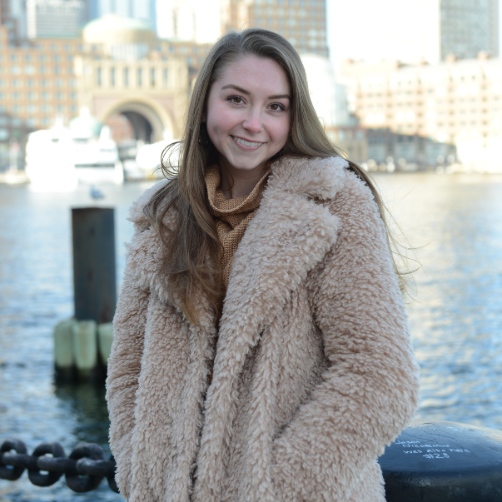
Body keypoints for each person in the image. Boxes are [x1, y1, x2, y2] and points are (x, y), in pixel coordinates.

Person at [106, 28, 420, 502]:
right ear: (205, 102)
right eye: (237, 99)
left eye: (275, 106)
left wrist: (275, 489)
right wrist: (138, 467)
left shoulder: (336, 206)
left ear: (294, 116)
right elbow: (129, 365)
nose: (255, 122)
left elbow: (380, 375)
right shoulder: (163, 216)